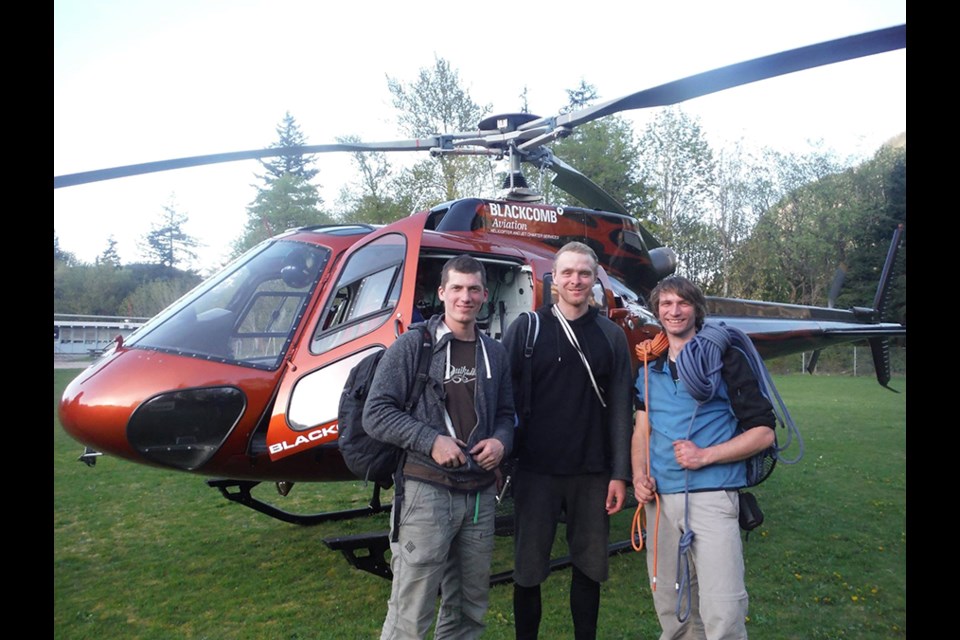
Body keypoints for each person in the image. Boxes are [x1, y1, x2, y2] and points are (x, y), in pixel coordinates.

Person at [363, 254, 515, 640]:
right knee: (411, 611)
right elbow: (376, 413)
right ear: (442, 292)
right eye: (457, 288)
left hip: (478, 497)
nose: (466, 297)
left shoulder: (495, 352)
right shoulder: (413, 346)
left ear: (484, 295)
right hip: (425, 493)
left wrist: (501, 441)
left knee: (469, 609)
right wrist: (430, 440)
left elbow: (507, 413)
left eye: (474, 289)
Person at [631, 275, 776, 639]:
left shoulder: (727, 361)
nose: (674, 311)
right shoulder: (651, 369)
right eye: (666, 304)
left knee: (722, 609)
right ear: (657, 312)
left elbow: (763, 433)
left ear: (697, 309)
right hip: (660, 504)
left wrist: (705, 455)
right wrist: (638, 475)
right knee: (671, 608)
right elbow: (641, 431)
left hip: (712, 498)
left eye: (682, 303)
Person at [502, 241, 633, 640]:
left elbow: (621, 409)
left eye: (584, 273)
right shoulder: (526, 329)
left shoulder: (611, 335)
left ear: (595, 280)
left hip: (592, 472)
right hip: (535, 471)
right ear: (553, 279)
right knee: (527, 571)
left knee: (589, 568)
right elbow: (502, 401)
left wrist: (619, 474)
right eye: (568, 273)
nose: (576, 280)